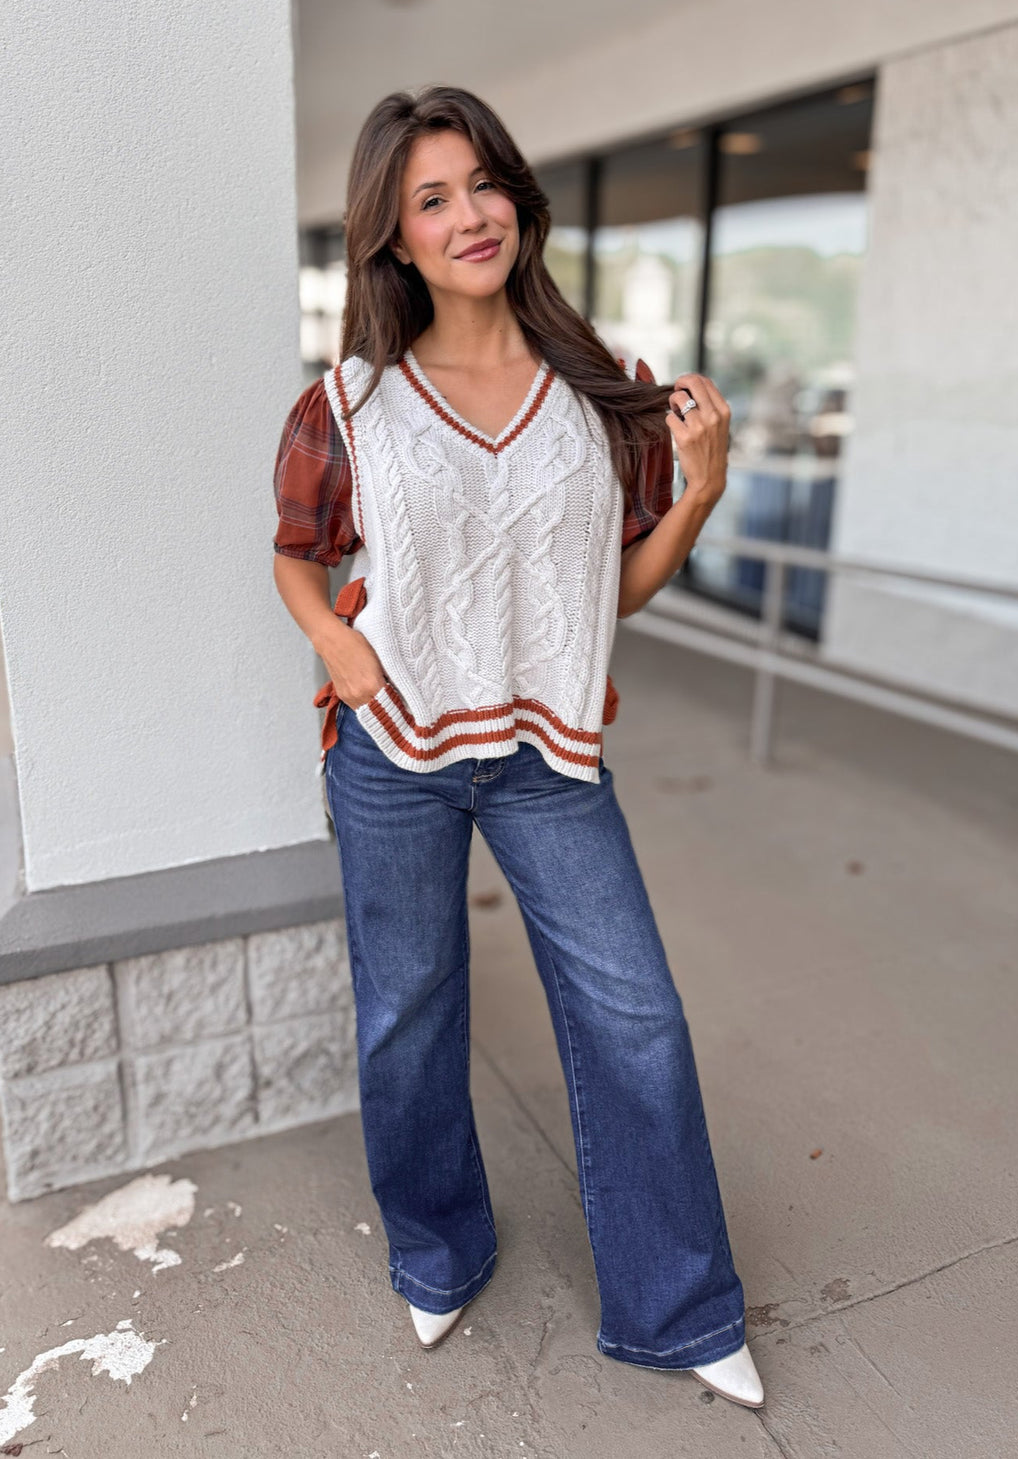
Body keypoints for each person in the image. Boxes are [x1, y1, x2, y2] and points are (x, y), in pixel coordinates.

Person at [271, 85, 764, 1410]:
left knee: (638, 1022)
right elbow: (296, 557)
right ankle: (440, 1250)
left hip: (550, 754)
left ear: (518, 200)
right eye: (430, 197)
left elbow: (613, 593)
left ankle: (676, 1307)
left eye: (481, 182)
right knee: (407, 1018)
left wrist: (701, 494)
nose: (467, 212)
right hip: (394, 752)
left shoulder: (599, 393)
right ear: (396, 237)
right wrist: (337, 645)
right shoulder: (352, 402)